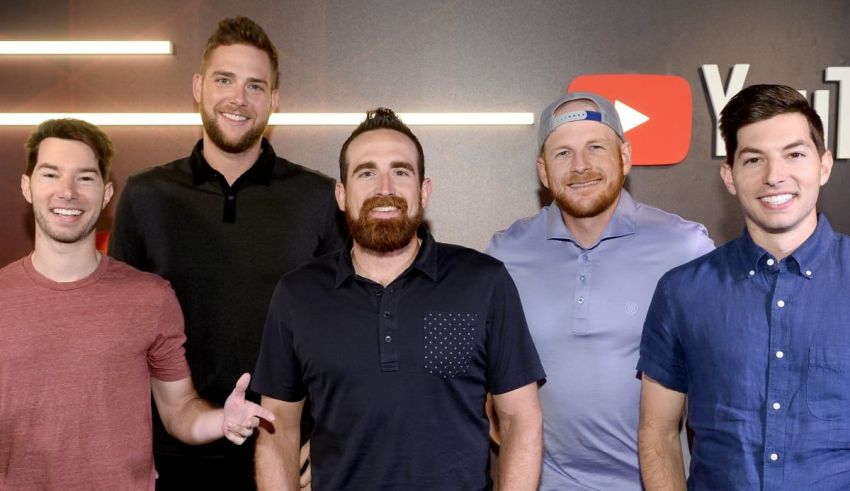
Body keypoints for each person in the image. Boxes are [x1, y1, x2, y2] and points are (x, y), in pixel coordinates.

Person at [252, 107, 546, 490]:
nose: (385, 188)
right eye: (366, 172)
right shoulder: (298, 294)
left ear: (424, 191)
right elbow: (278, 430)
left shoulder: (483, 282)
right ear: (341, 195)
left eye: (401, 171)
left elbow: (520, 420)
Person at [108, 17, 345, 488]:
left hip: (286, 457)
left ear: (274, 101)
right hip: (170, 460)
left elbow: (346, 331)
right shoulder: (146, 195)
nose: (239, 98)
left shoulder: (319, 199)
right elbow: (120, 338)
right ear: (198, 87)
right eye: (224, 80)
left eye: (255, 86)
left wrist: (329, 442)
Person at [0, 118, 273, 490]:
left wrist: (221, 420)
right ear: (27, 187)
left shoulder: (150, 297)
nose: (68, 192)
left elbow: (179, 409)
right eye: (50, 175)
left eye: (85, 177)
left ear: (107, 192)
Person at [487, 92, 713, 490]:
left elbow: (720, 384)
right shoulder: (505, 252)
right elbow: (476, 386)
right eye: (562, 153)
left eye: (595, 147)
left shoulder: (685, 247)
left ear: (624, 157)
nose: (580, 166)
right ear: (542, 171)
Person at [638, 84, 846, 489]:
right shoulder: (681, 292)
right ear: (729, 176)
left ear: (824, 165)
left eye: (794, 154)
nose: (774, 176)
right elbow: (658, 433)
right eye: (754, 160)